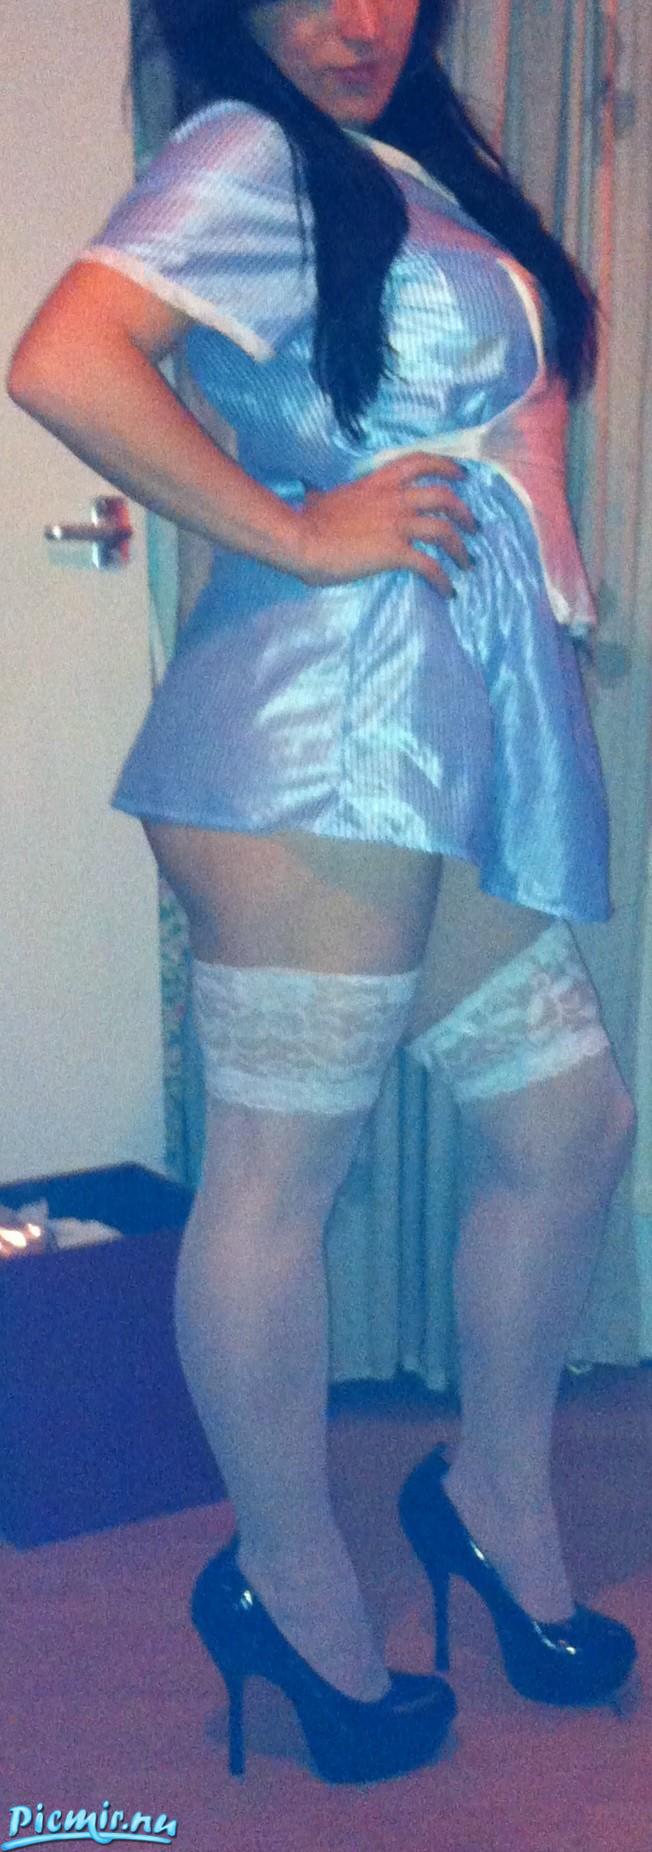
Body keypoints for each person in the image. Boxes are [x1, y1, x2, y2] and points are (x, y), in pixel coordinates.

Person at [7, 0, 638, 1786]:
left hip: (435, 732)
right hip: (316, 742)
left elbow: (503, 409)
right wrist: (293, 526)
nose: (354, 19)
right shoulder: (244, 151)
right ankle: (289, 1594)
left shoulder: (403, 163)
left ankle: (491, 1497)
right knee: (281, 1188)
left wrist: (543, 614)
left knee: (571, 1129)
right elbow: (64, 359)